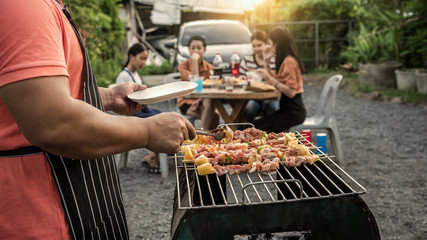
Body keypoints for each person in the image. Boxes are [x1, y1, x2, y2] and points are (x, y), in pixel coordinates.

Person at [0, 1, 195, 239]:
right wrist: (147, 131)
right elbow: (52, 123)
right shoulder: (24, 6)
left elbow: (51, 92)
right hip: (43, 215)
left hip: (78, 203)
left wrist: (110, 96)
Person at [116, 43, 162, 173]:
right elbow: (124, 100)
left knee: (165, 115)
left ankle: (154, 155)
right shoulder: (124, 76)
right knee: (159, 121)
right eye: (141, 58)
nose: (143, 62)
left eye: (145, 59)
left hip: (142, 108)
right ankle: (152, 157)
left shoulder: (136, 74)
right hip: (132, 112)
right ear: (131, 56)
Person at [252, 26, 306, 133]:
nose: (269, 47)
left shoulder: (288, 62)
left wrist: (269, 78)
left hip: (293, 113)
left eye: (270, 43)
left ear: (277, 43)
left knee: (254, 129)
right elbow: (273, 83)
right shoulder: (284, 60)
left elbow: (291, 92)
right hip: (287, 111)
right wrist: (266, 61)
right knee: (254, 126)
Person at [177, 35, 219, 130]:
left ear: (204, 50)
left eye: (199, 48)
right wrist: (195, 61)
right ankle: (204, 136)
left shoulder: (209, 68)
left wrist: (198, 100)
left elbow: (211, 88)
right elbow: (194, 82)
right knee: (214, 116)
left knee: (211, 104)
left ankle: (207, 137)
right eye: (193, 48)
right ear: (189, 50)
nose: (196, 51)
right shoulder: (182, 66)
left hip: (202, 101)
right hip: (186, 102)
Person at [239, 30, 279, 122]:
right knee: (250, 108)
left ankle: (271, 134)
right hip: (252, 96)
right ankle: (241, 132)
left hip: (270, 96)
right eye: (254, 46)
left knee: (270, 106)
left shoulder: (274, 59)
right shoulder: (247, 60)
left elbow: (276, 81)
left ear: (266, 44)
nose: (256, 49)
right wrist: (242, 79)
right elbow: (240, 78)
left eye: (259, 45)